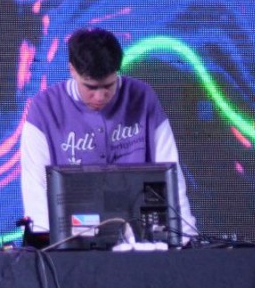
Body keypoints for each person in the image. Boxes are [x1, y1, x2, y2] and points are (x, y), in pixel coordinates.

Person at [19, 27, 197, 236]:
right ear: (72, 71)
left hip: (139, 238)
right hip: (72, 239)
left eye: (108, 86)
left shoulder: (143, 97)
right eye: (90, 87)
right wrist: (45, 241)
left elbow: (171, 171)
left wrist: (186, 236)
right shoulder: (44, 109)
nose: (100, 96)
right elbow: (35, 186)